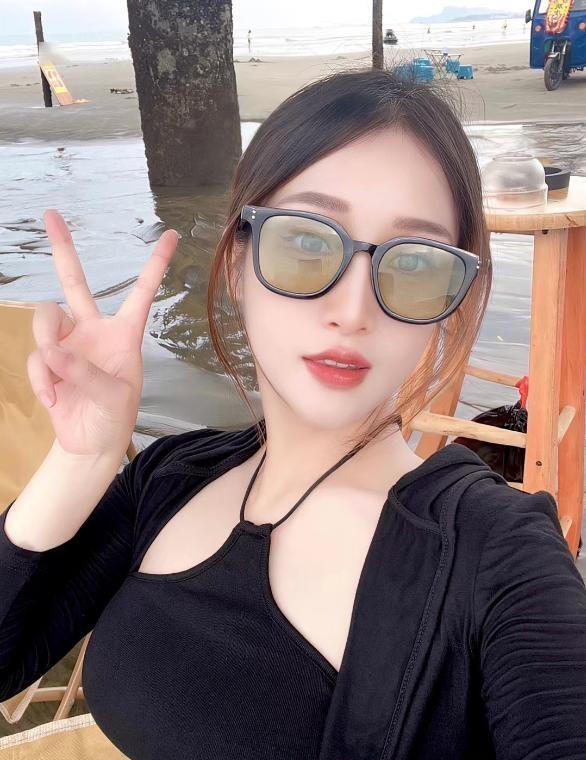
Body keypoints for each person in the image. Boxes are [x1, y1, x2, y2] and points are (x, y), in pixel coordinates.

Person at [1, 67, 585, 759]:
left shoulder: (496, 555)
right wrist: (82, 457)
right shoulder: (169, 478)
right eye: (308, 242)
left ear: (451, 303)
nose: (353, 310)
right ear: (236, 264)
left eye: (415, 263)